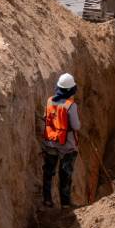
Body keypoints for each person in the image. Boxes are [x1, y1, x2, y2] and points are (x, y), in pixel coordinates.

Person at [42, 73, 81, 207]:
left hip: (50, 142)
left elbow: (46, 117)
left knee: (48, 172)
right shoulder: (71, 106)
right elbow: (76, 126)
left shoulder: (49, 100)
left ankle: (47, 200)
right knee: (65, 174)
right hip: (67, 146)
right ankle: (65, 204)